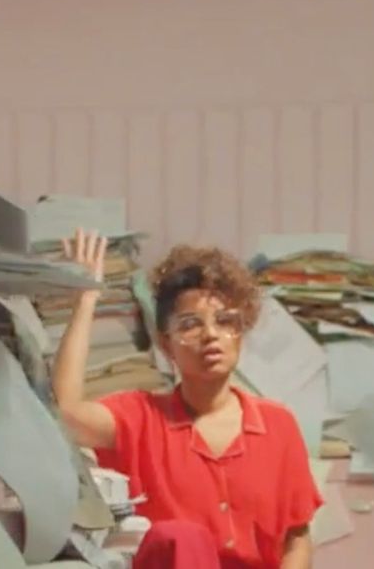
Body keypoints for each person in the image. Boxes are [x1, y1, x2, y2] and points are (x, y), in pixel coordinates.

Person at [52, 229, 320, 569]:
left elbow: (296, 540)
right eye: (191, 324)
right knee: (179, 537)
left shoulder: (277, 425)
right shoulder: (141, 418)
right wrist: (86, 300)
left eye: (225, 322)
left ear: (241, 332)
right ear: (167, 344)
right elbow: (67, 411)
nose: (211, 334)